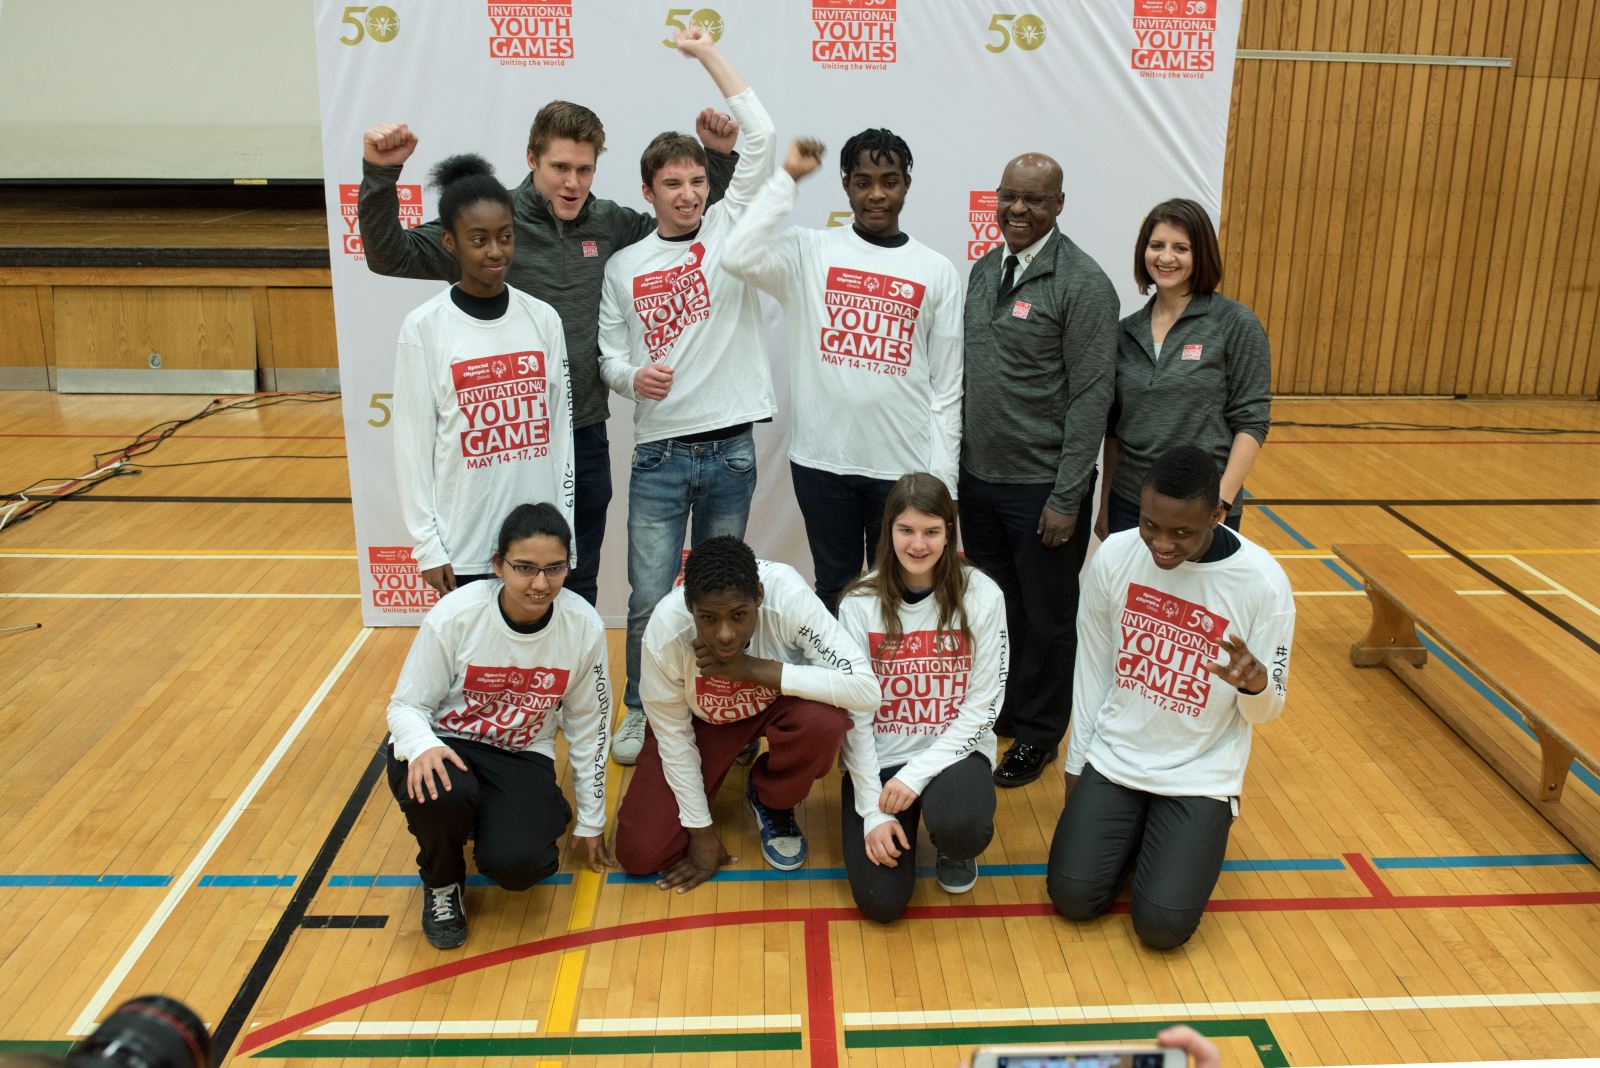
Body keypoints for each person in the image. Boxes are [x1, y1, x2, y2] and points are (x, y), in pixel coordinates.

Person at [359, 99, 741, 605]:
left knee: (575, 583)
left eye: (585, 170)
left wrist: (718, 159)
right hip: (501, 446)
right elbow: (389, 254)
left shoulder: (611, 223)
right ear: (531, 159)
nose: (572, 183)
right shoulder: (493, 221)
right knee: (489, 584)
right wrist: (381, 174)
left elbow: (689, 224)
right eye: (560, 167)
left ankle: (569, 683)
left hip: (581, 434)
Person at [597, 28, 777, 765]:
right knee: (647, 599)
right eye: (673, 184)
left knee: (728, 599)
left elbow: (761, 134)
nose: (688, 193)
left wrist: (708, 57)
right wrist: (629, 378)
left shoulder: (731, 229)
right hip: (660, 453)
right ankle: (642, 709)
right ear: (648, 193)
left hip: (731, 447)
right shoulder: (625, 263)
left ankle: (721, 708)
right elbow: (608, 350)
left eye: (698, 181)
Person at [1047, 446, 1294, 950]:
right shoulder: (1116, 555)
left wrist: (1256, 686)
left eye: (1182, 532)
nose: (1162, 544)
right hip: (1116, 757)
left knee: (1162, 926)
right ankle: (1136, 829)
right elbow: (1093, 670)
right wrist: (1077, 766)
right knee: (1073, 897)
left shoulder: (1263, 584)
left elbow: (1268, 712)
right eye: (1150, 524)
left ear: (1218, 514)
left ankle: (1168, 834)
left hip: (1200, 773)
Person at [723, 132, 963, 614]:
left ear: (907, 185)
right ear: (845, 186)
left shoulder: (936, 270)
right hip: (821, 463)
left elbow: (947, 388)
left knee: (898, 594)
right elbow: (737, 255)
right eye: (863, 182)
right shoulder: (808, 251)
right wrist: (787, 179)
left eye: (889, 181)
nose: (877, 194)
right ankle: (837, 691)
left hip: (903, 470)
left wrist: (944, 484)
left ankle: (889, 690)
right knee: (834, 586)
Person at [386, 503, 615, 950]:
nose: (540, 583)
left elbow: (591, 726)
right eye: (525, 568)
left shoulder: (583, 625)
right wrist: (421, 746)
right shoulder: (455, 615)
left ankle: (531, 809)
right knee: (441, 792)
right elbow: (405, 706)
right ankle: (442, 884)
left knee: (521, 866)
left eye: (554, 569)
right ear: (498, 566)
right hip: (446, 743)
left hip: (519, 753)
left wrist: (591, 818)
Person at [960, 152, 1117, 788]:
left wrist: (1068, 496)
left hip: (1042, 489)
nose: (1018, 210)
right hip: (980, 480)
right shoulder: (981, 270)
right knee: (1000, 608)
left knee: (1049, 614)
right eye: (1009, 197)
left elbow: (1091, 398)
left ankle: (1041, 732)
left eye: (1034, 199)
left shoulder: (1083, 283)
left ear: (1058, 205)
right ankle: (1005, 708)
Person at [613, 536, 880, 887]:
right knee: (639, 854)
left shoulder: (789, 596)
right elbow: (674, 739)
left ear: (758, 595)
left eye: (739, 616)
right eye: (708, 618)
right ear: (690, 605)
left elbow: (865, 690)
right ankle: (732, 754)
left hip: (778, 705)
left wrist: (751, 669)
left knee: (824, 723)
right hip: (704, 722)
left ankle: (771, 798)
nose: (725, 635)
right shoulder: (665, 631)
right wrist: (702, 833)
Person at [391, 154, 572, 593]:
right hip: (461, 546)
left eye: (505, 237)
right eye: (479, 240)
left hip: (537, 547)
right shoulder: (424, 327)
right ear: (450, 243)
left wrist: (564, 530)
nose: (496, 251)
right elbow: (413, 447)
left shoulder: (543, 319)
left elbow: (560, 436)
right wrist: (427, 546)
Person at [837, 473, 1007, 922]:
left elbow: (983, 708)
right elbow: (853, 717)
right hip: (881, 759)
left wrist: (914, 777)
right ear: (888, 529)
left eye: (932, 532)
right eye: (906, 530)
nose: (918, 544)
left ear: (949, 534)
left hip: (953, 753)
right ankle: (888, 820)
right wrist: (872, 809)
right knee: (881, 904)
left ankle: (954, 848)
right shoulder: (858, 603)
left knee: (960, 824)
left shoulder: (984, 597)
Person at [1096, 198, 1271, 537]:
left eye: (1181, 248)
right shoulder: (1125, 331)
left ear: (1201, 254)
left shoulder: (1235, 323)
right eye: (1156, 245)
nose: (1165, 257)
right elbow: (1114, 432)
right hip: (1130, 504)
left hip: (1202, 509)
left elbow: (1252, 421)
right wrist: (1105, 505)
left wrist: (1220, 501)